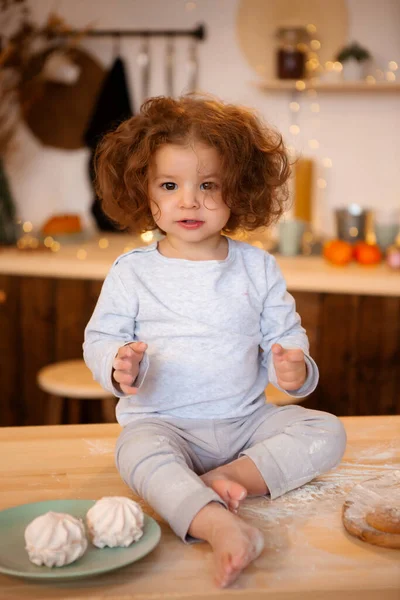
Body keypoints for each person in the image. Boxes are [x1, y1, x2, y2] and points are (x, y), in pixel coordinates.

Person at [83, 95, 346, 588]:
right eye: (170, 185)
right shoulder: (132, 272)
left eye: (208, 185)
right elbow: (101, 338)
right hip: (164, 424)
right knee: (136, 453)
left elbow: (286, 339)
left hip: (247, 424)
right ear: (146, 193)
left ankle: (213, 486)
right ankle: (219, 523)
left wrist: (295, 367)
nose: (189, 200)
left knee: (327, 432)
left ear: (239, 192)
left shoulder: (257, 266)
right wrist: (116, 363)